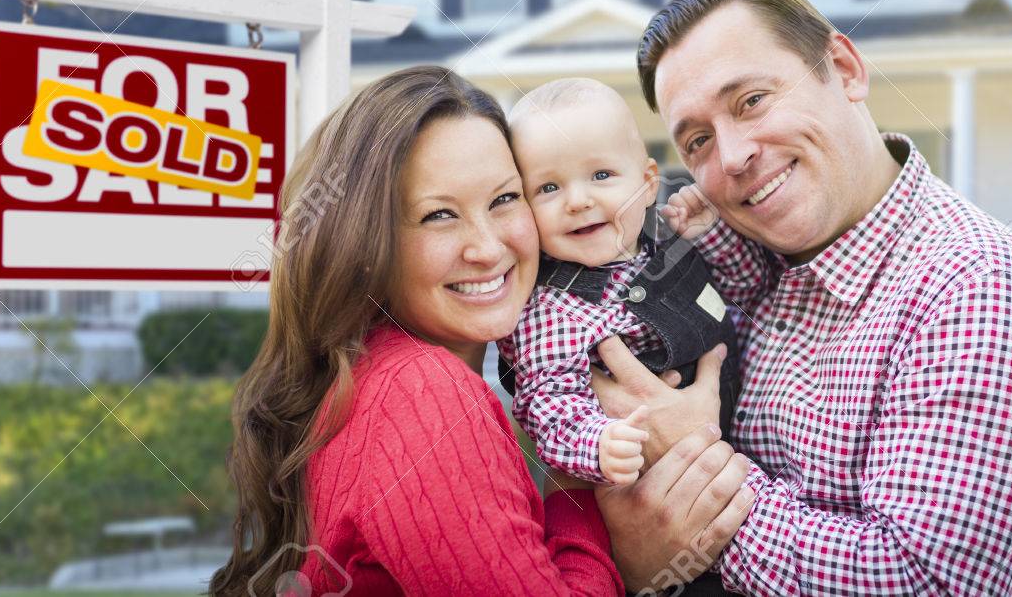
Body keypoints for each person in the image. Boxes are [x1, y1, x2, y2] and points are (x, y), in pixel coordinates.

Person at [593, 0, 1012, 594]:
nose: (731, 156)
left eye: (751, 100)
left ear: (844, 68)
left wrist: (695, 473)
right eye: (697, 140)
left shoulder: (980, 291)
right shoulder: (737, 265)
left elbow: (924, 583)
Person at [208, 66, 756, 597]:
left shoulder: (377, 370)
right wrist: (615, 540)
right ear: (364, 242)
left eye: (503, 199)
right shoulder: (423, 393)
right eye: (438, 216)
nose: (488, 248)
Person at [496, 77, 741, 487]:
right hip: (651, 478)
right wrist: (598, 443)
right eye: (548, 187)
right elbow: (547, 405)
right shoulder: (552, 309)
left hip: (740, 441)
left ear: (647, 183)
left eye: (601, 174)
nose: (577, 200)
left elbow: (740, 289)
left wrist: (712, 236)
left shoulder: (667, 240)